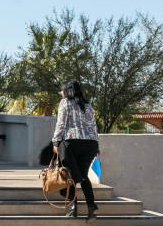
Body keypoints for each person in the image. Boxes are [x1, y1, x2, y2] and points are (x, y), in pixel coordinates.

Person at [51, 79, 100, 223]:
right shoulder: (88, 105)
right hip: (91, 144)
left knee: (69, 174)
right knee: (83, 175)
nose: (60, 92)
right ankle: (91, 205)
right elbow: (94, 127)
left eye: (62, 90)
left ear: (67, 90)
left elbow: (60, 124)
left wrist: (55, 142)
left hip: (73, 142)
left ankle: (73, 208)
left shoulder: (65, 103)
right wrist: (98, 147)